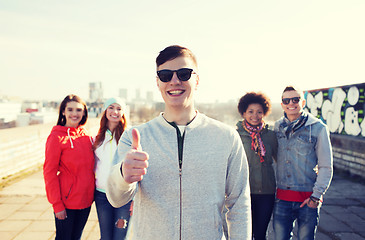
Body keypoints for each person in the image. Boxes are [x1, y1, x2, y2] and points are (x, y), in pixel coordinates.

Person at [106, 45, 251, 239]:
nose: (174, 81)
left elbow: (239, 204)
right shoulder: (136, 137)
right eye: (165, 75)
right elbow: (116, 199)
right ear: (158, 82)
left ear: (197, 80)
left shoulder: (226, 137)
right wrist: (124, 174)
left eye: (184, 73)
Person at [273, 86, 333, 240]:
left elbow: (326, 166)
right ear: (282, 104)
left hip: (307, 200)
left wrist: (316, 196)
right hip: (282, 199)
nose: (291, 103)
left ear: (303, 102)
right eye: (286, 100)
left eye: (295, 99)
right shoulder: (278, 127)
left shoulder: (318, 128)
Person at [43, 94, 95, 240]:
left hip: (86, 201)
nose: (74, 114)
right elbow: (49, 173)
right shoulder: (56, 138)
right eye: (70, 109)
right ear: (63, 112)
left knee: (76, 237)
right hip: (66, 203)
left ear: (84, 112)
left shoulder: (86, 136)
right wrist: (57, 205)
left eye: (78, 110)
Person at [236, 92, 277, 240]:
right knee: (245, 234)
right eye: (251, 112)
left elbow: (282, 159)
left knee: (260, 235)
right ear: (244, 113)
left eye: (259, 112)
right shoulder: (236, 136)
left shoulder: (271, 135)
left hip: (267, 192)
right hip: (244, 192)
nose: (255, 116)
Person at [93, 97, 132, 240]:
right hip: (102, 195)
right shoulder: (97, 137)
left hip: (124, 196)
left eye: (119, 108)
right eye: (111, 107)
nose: (115, 111)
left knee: (120, 237)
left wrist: (135, 197)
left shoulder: (129, 136)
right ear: (105, 111)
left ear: (123, 112)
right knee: (105, 237)